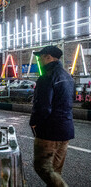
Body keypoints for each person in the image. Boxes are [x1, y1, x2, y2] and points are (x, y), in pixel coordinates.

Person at [29, 46, 74, 187]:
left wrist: (34, 123)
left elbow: (43, 107)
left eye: (40, 57)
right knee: (55, 171)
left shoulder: (46, 77)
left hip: (49, 132)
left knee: (42, 167)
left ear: (48, 57)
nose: (38, 60)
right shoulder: (68, 77)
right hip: (66, 130)